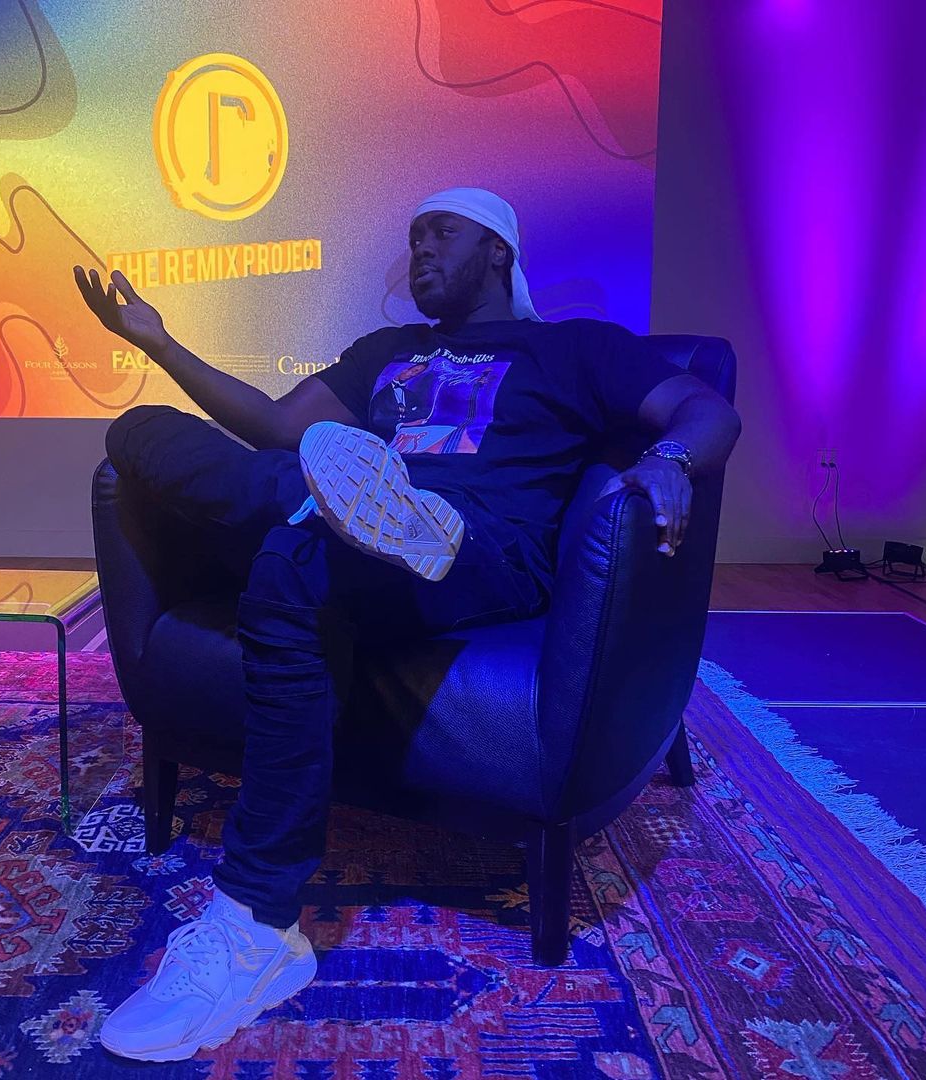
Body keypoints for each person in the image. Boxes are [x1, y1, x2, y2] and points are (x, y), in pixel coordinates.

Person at [73, 187, 742, 1062]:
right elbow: (276, 424)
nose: (420, 247)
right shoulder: (387, 353)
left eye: (441, 232)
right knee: (140, 432)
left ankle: (257, 924)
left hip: (482, 548)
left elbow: (707, 410)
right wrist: (158, 344)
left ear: (498, 250)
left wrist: (671, 460)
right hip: (351, 527)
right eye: (414, 235)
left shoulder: (574, 346)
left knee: (295, 555)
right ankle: (335, 505)